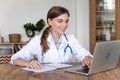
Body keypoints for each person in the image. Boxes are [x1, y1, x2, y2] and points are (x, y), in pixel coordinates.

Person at [10, 6, 92, 70]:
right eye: (60, 21)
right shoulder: (37, 40)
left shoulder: (71, 39)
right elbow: (15, 59)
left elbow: (84, 54)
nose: (64, 25)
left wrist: (87, 58)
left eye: (66, 21)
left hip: (66, 77)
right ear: (49, 21)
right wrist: (27, 63)